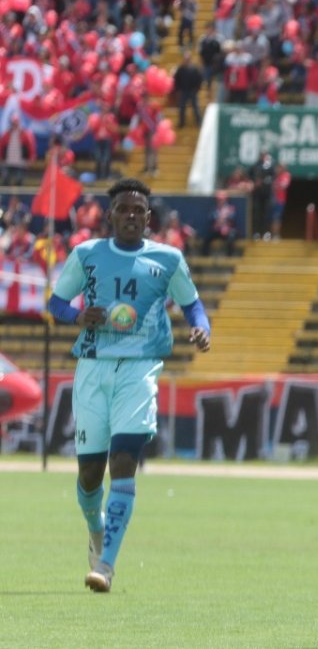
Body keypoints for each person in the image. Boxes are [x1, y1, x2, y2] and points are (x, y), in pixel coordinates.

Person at [46, 178, 212, 593]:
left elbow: (192, 303)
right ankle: (95, 527)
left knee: (124, 460)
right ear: (111, 215)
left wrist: (200, 328)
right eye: (124, 209)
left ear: (149, 217)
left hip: (140, 368)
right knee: (89, 475)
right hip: (93, 367)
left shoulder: (168, 260)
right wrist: (78, 317)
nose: (132, 216)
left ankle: (106, 565)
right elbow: (56, 303)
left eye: (139, 210)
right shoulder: (87, 255)